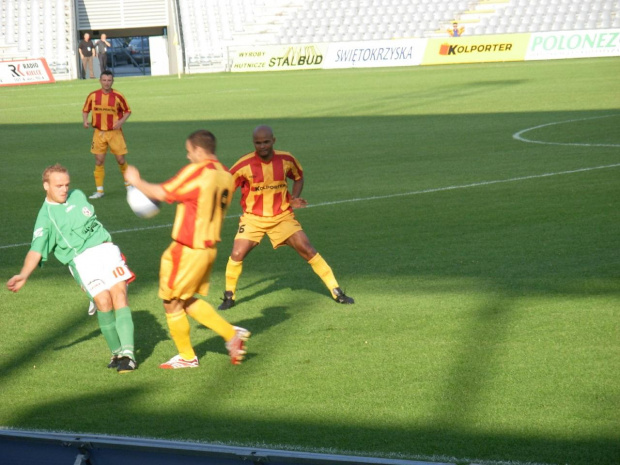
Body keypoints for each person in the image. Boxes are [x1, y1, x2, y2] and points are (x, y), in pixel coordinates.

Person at [124, 130, 250, 369]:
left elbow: (163, 193)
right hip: (208, 247)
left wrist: (136, 180)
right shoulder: (225, 175)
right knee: (183, 299)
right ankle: (227, 336)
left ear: (199, 151)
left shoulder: (199, 172)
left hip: (188, 248)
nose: (187, 155)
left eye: (189, 151)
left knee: (170, 301)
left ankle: (196, 352)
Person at [6, 164, 137, 373]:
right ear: (46, 186)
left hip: (106, 250)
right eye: (59, 186)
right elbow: (36, 251)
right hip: (82, 261)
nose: (64, 189)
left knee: (119, 294)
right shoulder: (46, 217)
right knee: (104, 302)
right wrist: (23, 274)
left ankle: (129, 355)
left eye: (67, 184)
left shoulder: (77, 195)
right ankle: (116, 352)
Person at [217, 125, 354, 311]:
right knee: (237, 254)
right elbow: (226, 187)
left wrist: (294, 198)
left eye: (266, 142)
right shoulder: (243, 165)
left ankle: (336, 291)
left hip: (282, 217)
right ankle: (229, 296)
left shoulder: (286, 159)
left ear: (273, 140)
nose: (263, 146)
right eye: (258, 143)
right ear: (253, 143)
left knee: (308, 249)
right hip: (253, 219)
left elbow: (298, 177)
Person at [82, 70, 131, 199]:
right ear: (100, 81)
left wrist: (120, 122)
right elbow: (86, 109)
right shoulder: (93, 95)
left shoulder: (118, 96)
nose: (106, 83)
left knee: (120, 160)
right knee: (99, 161)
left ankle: (129, 186)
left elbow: (128, 111)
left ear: (112, 81)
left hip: (115, 133)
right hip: (99, 133)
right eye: (104, 80)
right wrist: (85, 120)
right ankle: (99, 191)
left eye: (109, 80)